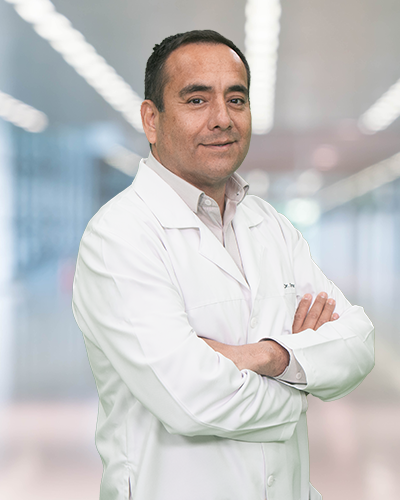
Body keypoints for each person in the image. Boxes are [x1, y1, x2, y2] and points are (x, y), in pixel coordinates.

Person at [72, 30, 374, 500]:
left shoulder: (270, 224)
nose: (222, 119)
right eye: (196, 100)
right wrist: (303, 379)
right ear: (152, 120)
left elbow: (357, 344)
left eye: (236, 99)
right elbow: (190, 400)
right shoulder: (119, 235)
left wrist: (268, 356)